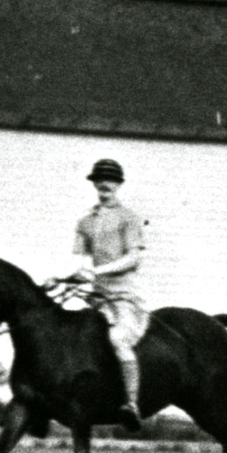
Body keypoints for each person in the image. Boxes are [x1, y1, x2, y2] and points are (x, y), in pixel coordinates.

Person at [73, 158, 150, 431]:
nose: (105, 184)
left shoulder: (129, 218)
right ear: (94, 183)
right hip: (97, 298)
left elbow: (133, 258)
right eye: (100, 180)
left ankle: (132, 404)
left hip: (125, 297)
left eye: (111, 180)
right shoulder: (85, 222)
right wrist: (69, 276)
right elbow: (82, 260)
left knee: (118, 339)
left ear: (118, 185)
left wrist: (97, 270)